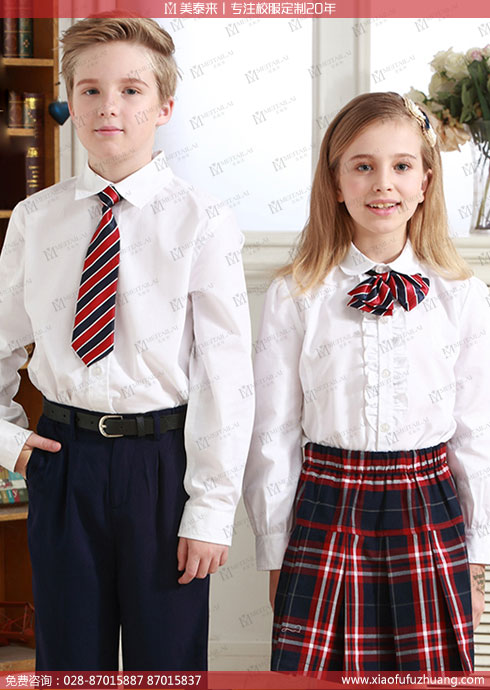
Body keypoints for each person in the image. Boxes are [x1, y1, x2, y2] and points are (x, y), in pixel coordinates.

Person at [0, 17, 254, 672]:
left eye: (131, 90)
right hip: (63, 459)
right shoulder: (35, 219)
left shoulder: (204, 221)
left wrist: (211, 511)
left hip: (163, 468)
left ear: (165, 106)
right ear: (69, 103)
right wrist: (8, 443)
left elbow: (225, 377)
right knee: (68, 663)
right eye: (90, 90)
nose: (108, 106)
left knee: (166, 664)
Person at [243, 91, 490, 672]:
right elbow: (273, 432)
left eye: (402, 166)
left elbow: (476, 433)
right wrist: (274, 550)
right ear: (335, 182)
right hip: (326, 507)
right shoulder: (297, 293)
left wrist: (477, 558)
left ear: (425, 182)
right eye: (363, 166)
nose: (384, 184)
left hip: (428, 508)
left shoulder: (461, 295)